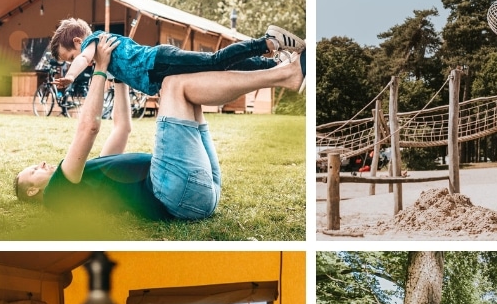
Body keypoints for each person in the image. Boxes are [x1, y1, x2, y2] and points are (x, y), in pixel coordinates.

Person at [15, 34, 306, 221]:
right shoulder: (57, 193)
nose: (40, 164)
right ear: (32, 192)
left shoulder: (90, 175)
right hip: (173, 193)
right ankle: (283, 74)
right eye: (32, 171)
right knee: (173, 84)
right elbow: (88, 128)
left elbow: (122, 129)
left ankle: (282, 71)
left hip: (200, 192)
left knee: (188, 93)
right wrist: (100, 68)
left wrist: (116, 79)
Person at [49, 18, 305, 98]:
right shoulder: (103, 53)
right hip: (160, 70)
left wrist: (71, 75)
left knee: (215, 61)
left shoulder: (95, 40)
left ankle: (269, 42)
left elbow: (83, 58)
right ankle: (272, 65)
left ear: (78, 43)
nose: (76, 60)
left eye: (70, 57)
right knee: (218, 71)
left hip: (159, 62)